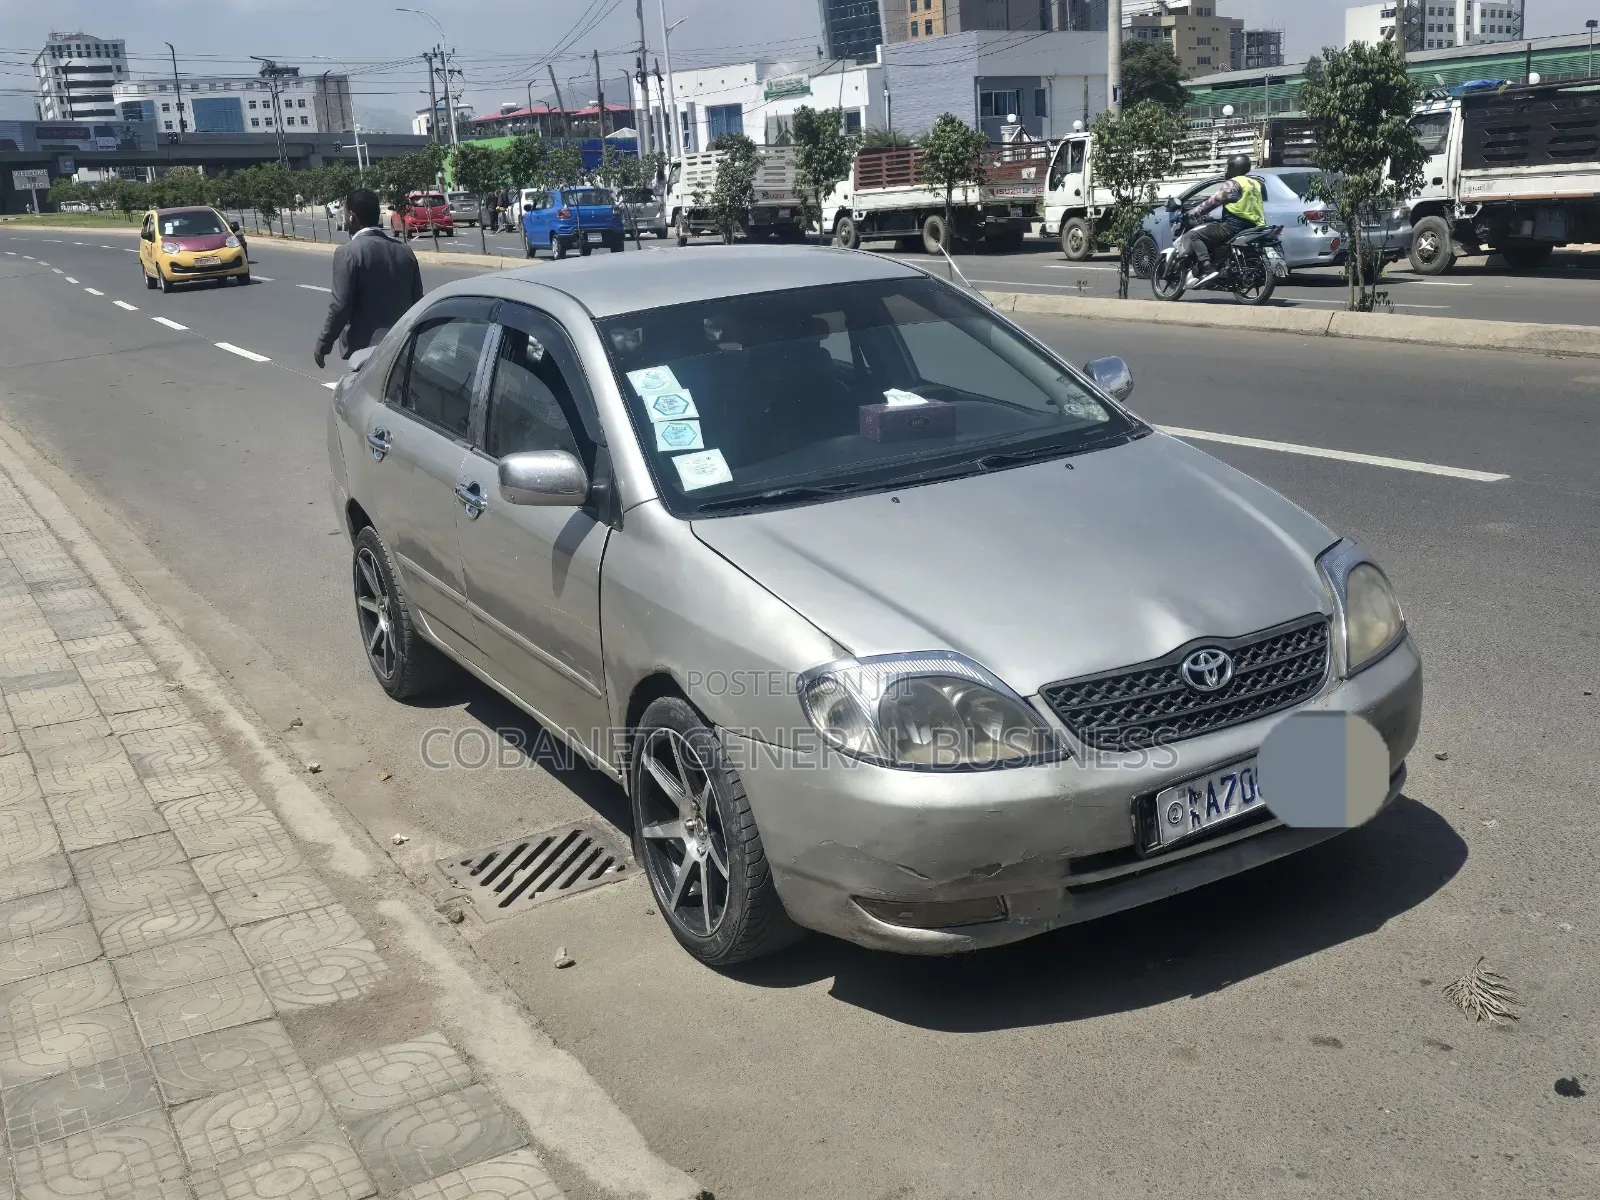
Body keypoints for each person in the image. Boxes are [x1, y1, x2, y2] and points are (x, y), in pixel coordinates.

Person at [313, 189, 423, 370]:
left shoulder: (347, 253)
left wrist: (325, 341)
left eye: (345, 212)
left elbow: (340, 306)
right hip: (401, 347)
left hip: (365, 352)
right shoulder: (404, 251)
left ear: (352, 217)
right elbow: (418, 301)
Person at [1180, 154, 1264, 287]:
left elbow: (1212, 202)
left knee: (1194, 235)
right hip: (1253, 225)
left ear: (1234, 167)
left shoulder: (1233, 183)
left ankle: (1207, 269)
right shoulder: (1255, 183)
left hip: (1233, 225)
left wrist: (1191, 213)